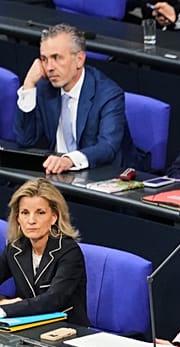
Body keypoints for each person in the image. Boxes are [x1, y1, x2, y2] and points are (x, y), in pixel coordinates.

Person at [14, 24, 140, 175]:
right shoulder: (44, 86)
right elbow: (25, 140)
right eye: (44, 59)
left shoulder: (108, 94)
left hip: (99, 174)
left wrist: (68, 160)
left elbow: (107, 147)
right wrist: (28, 85)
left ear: (79, 59)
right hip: (57, 175)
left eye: (56, 57)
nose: (49, 67)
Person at [0, 179, 89, 325]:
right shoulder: (15, 248)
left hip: (66, 329)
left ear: (54, 217)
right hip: (24, 326)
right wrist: (3, 301)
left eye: (40, 213)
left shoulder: (69, 252)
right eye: (25, 213)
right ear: (18, 217)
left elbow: (53, 300)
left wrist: (7, 309)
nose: (31, 220)